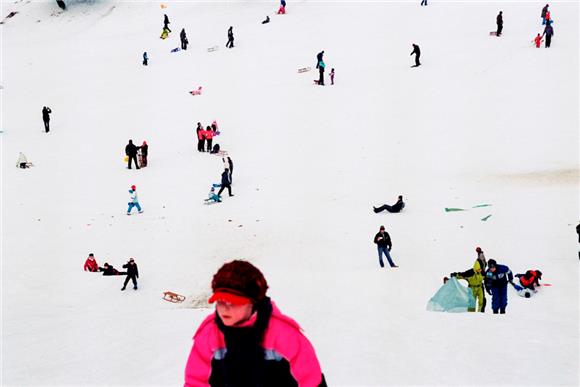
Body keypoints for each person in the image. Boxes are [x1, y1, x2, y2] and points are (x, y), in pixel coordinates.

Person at [184, 260, 327, 386]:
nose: (225, 308)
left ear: (253, 303)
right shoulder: (210, 334)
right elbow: (195, 381)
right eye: (220, 301)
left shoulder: (283, 335)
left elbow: (311, 380)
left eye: (234, 303)